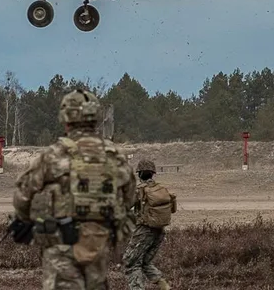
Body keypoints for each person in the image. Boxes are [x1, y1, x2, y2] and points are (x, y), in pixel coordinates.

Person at [10, 89, 136, 290]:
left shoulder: (54, 154)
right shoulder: (114, 156)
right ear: (96, 118)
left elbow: (22, 195)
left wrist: (26, 220)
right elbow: (129, 198)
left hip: (61, 246)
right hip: (98, 243)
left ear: (65, 117)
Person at [123, 159, 176, 290]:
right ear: (153, 173)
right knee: (145, 262)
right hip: (159, 231)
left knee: (130, 263)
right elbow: (172, 209)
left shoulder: (139, 190)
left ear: (139, 174)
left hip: (143, 231)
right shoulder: (162, 189)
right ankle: (164, 285)